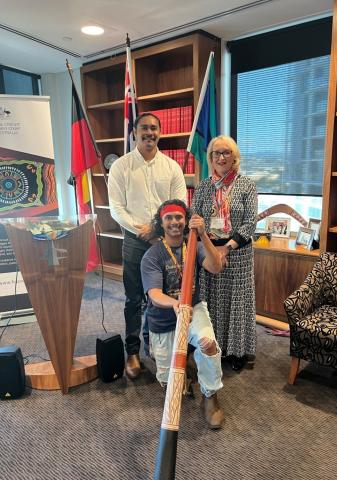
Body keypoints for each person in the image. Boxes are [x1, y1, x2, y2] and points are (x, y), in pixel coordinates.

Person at [108, 113, 187, 379]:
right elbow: (116, 209)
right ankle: (132, 352)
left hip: (166, 242)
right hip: (134, 241)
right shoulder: (121, 166)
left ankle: (155, 344)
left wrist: (158, 230)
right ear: (134, 132)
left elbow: (180, 202)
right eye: (144, 128)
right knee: (134, 299)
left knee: (161, 297)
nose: (149, 132)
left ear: (160, 133)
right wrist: (142, 231)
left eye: (154, 128)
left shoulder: (172, 167)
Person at [140, 199, 225, 429]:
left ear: (185, 221)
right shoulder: (152, 255)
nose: (175, 222)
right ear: (162, 222)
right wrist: (175, 304)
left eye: (179, 217)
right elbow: (154, 293)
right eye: (169, 218)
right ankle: (179, 368)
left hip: (193, 308)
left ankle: (210, 397)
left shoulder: (194, 244)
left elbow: (216, 266)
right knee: (171, 383)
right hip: (163, 317)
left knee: (208, 345)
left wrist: (204, 234)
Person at [192, 135, 258, 371]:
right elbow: (196, 217)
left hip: (237, 253)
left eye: (226, 153)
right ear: (210, 158)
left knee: (236, 302)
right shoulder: (203, 186)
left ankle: (237, 352)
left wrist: (227, 247)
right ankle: (213, 345)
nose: (221, 157)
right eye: (216, 153)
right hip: (209, 252)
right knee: (212, 300)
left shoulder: (246, 185)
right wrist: (209, 246)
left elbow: (250, 223)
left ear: (234, 157)